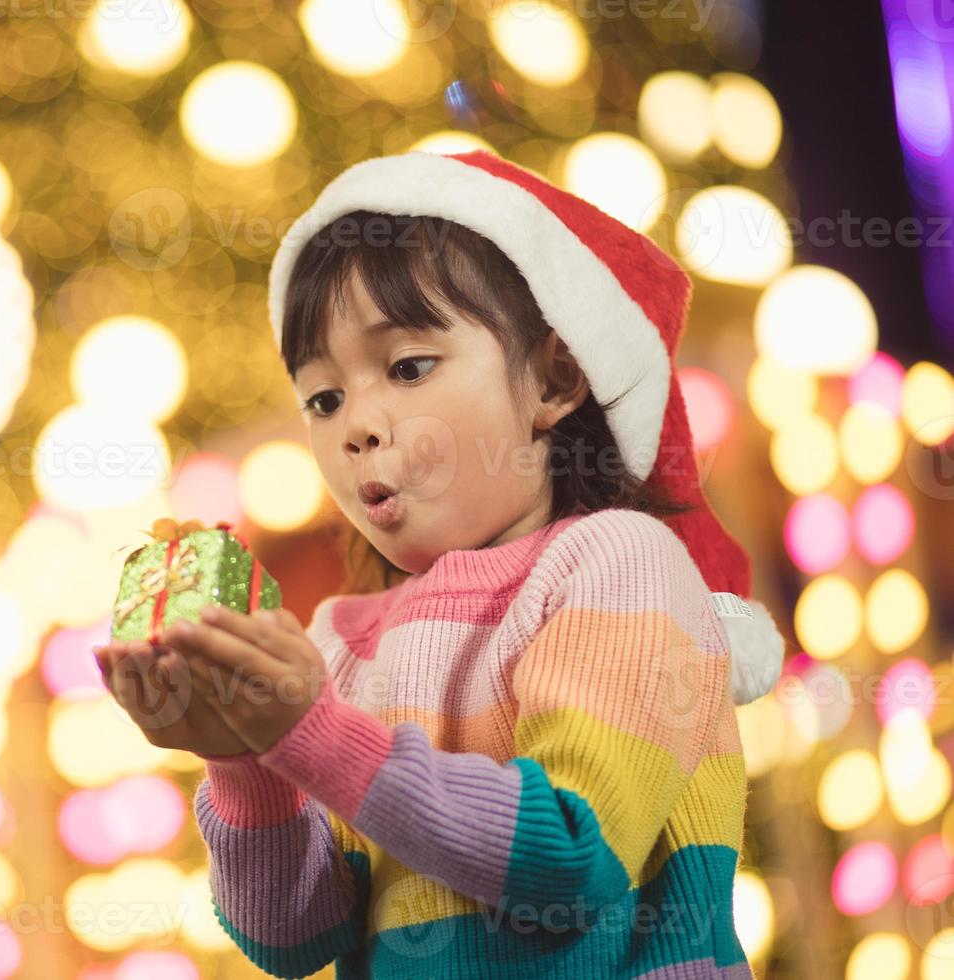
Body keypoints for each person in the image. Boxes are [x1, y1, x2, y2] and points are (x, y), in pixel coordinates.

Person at [95, 149, 788, 979]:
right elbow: (294, 940)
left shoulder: (618, 564)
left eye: (407, 367)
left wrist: (310, 734)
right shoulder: (343, 639)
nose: (354, 426)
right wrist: (244, 759)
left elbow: (571, 860)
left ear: (555, 378)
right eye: (324, 398)